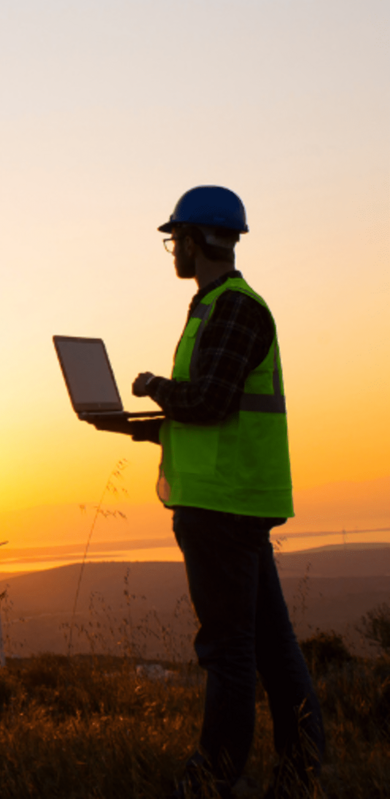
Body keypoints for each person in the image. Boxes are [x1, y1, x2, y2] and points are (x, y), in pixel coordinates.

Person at [123, 185, 324, 799]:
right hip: (230, 500)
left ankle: (214, 777)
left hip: (223, 506)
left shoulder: (233, 308)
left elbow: (209, 402)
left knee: (228, 651)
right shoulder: (216, 305)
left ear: (195, 239)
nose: (174, 251)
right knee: (271, 646)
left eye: (176, 240)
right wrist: (142, 426)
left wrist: (152, 386)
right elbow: (212, 412)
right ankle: (304, 772)